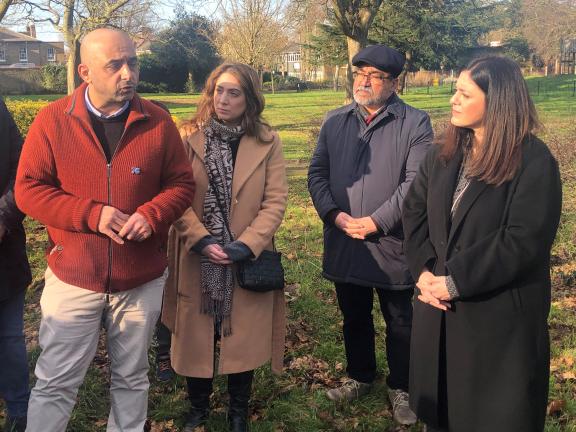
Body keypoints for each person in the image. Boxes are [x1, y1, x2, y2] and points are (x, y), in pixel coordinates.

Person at [15, 27, 195, 432]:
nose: (128, 73)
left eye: (132, 62)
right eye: (114, 65)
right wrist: (90, 214)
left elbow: (182, 184)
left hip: (140, 278)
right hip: (74, 275)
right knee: (55, 381)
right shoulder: (52, 121)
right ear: (84, 71)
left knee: (132, 379)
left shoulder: (158, 121)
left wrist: (152, 214)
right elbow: (28, 190)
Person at [402, 56, 562, 432]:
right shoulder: (443, 152)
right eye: (454, 90)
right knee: (440, 413)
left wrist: (454, 280)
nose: (452, 99)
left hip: (497, 326)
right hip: (437, 311)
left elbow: (523, 239)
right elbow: (414, 213)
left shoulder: (534, 161)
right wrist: (422, 270)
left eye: (464, 93)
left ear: (498, 101)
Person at [307, 44, 433, 426]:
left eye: (375, 76)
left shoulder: (415, 123)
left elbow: (416, 183)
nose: (364, 80)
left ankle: (402, 386)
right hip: (345, 240)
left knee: (400, 319)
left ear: (395, 83)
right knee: (353, 315)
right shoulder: (335, 121)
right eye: (360, 72)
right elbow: (317, 172)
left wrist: (378, 221)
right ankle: (360, 375)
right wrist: (335, 215)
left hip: (392, 243)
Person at [161, 62, 288, 432]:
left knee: (242, 335)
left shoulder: (268, 140)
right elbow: (175, 195)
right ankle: (198, 408)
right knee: (196, 332)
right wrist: (200, 238)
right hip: (195, 252)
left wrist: (245, 246)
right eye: (219, 90)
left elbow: (275, 201)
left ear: (250, 98)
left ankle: (237, 411)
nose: (224, 99)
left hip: (246, 256)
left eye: (234, 92)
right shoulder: (188, 137)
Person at [0, 98, 32, 432]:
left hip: (4, 246)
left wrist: (3, 217)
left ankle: (19, 409)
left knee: (9, 336)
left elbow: (21, 170)